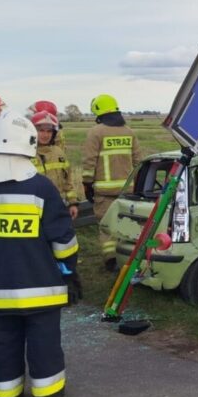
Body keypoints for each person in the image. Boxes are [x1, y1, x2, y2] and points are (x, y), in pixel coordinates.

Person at [0, 111, 80, 397]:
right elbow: (63, 240)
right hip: (41, 288)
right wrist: (68, 270)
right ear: (29, 143)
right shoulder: (40, 187)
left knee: (2, 342)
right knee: (43, 342)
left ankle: (6, 395)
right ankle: (46, 393)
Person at [81, 94, 140, 271]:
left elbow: (89, 161)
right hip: (127, 190)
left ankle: (111, 260)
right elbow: (138, 161)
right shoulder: (129, 132)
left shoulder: (95, 132)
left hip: (104, 192)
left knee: (106, 226)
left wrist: (87, 183)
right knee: (127, 225)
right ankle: (128, 259)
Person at [31, 111, 79, 220]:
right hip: (33, 208)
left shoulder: (59, 153)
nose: (45, 135)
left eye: (49, 131)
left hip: (57, 206)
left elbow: (68, 181)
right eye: (41, 131)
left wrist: (72, 203)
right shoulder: (25, 154)